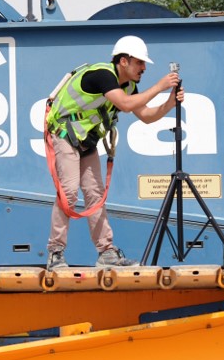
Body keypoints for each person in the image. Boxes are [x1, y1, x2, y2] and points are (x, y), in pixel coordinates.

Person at [44, 35, 183, 269]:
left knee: (95, 194)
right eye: (139, 62)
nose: (144, 68)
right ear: (124, 61)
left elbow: (147, 116)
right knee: (68, 193)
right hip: (64, 135)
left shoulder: (128, 85)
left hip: (85, 140)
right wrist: (160, 86)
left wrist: (170, 102)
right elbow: (126, 105)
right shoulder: (103, 75)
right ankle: (55, 253)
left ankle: (106, 253)